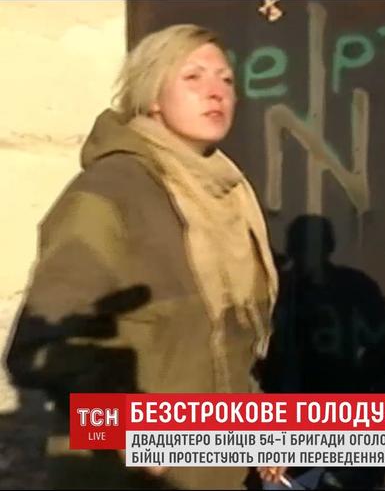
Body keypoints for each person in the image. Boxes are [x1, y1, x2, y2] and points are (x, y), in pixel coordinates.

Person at [5, 24, 279, 489]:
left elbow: (222, 350)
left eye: (226, 80)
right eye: (193, 77)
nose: (216, 91)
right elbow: (41, 346)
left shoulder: (229, 198)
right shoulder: (109, 194)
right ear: (152, 96)